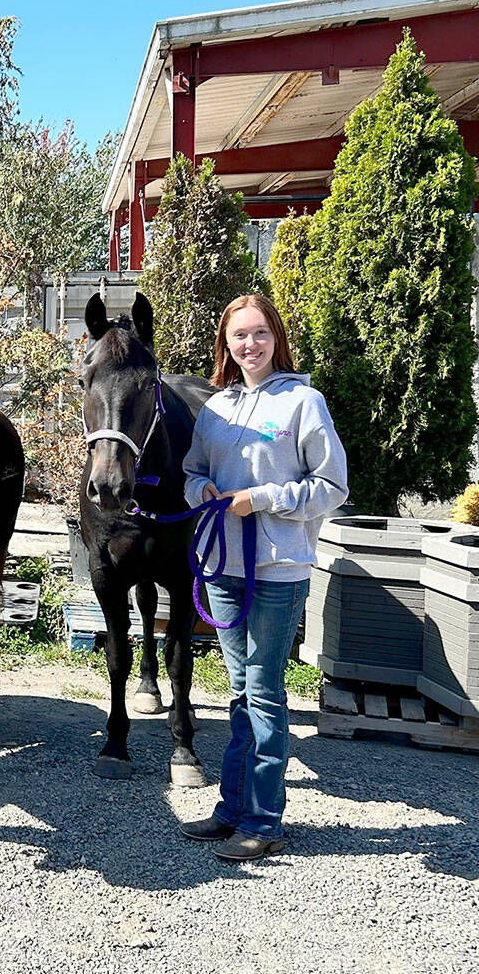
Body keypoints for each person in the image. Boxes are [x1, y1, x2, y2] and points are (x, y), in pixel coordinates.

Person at [179, 293, 348, 861]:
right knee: (239, 692)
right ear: (225, 344)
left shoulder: (303, 402)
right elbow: (192, 470)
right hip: (223, 567)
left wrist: (263, 498)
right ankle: (232, 809)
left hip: (278, 568)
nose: (249, 345)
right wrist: (200, 491)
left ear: (276, 337)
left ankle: (263, 819)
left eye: (259, 334)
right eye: (238, 336)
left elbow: (332, 485)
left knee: (265, 692)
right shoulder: (216, 408)